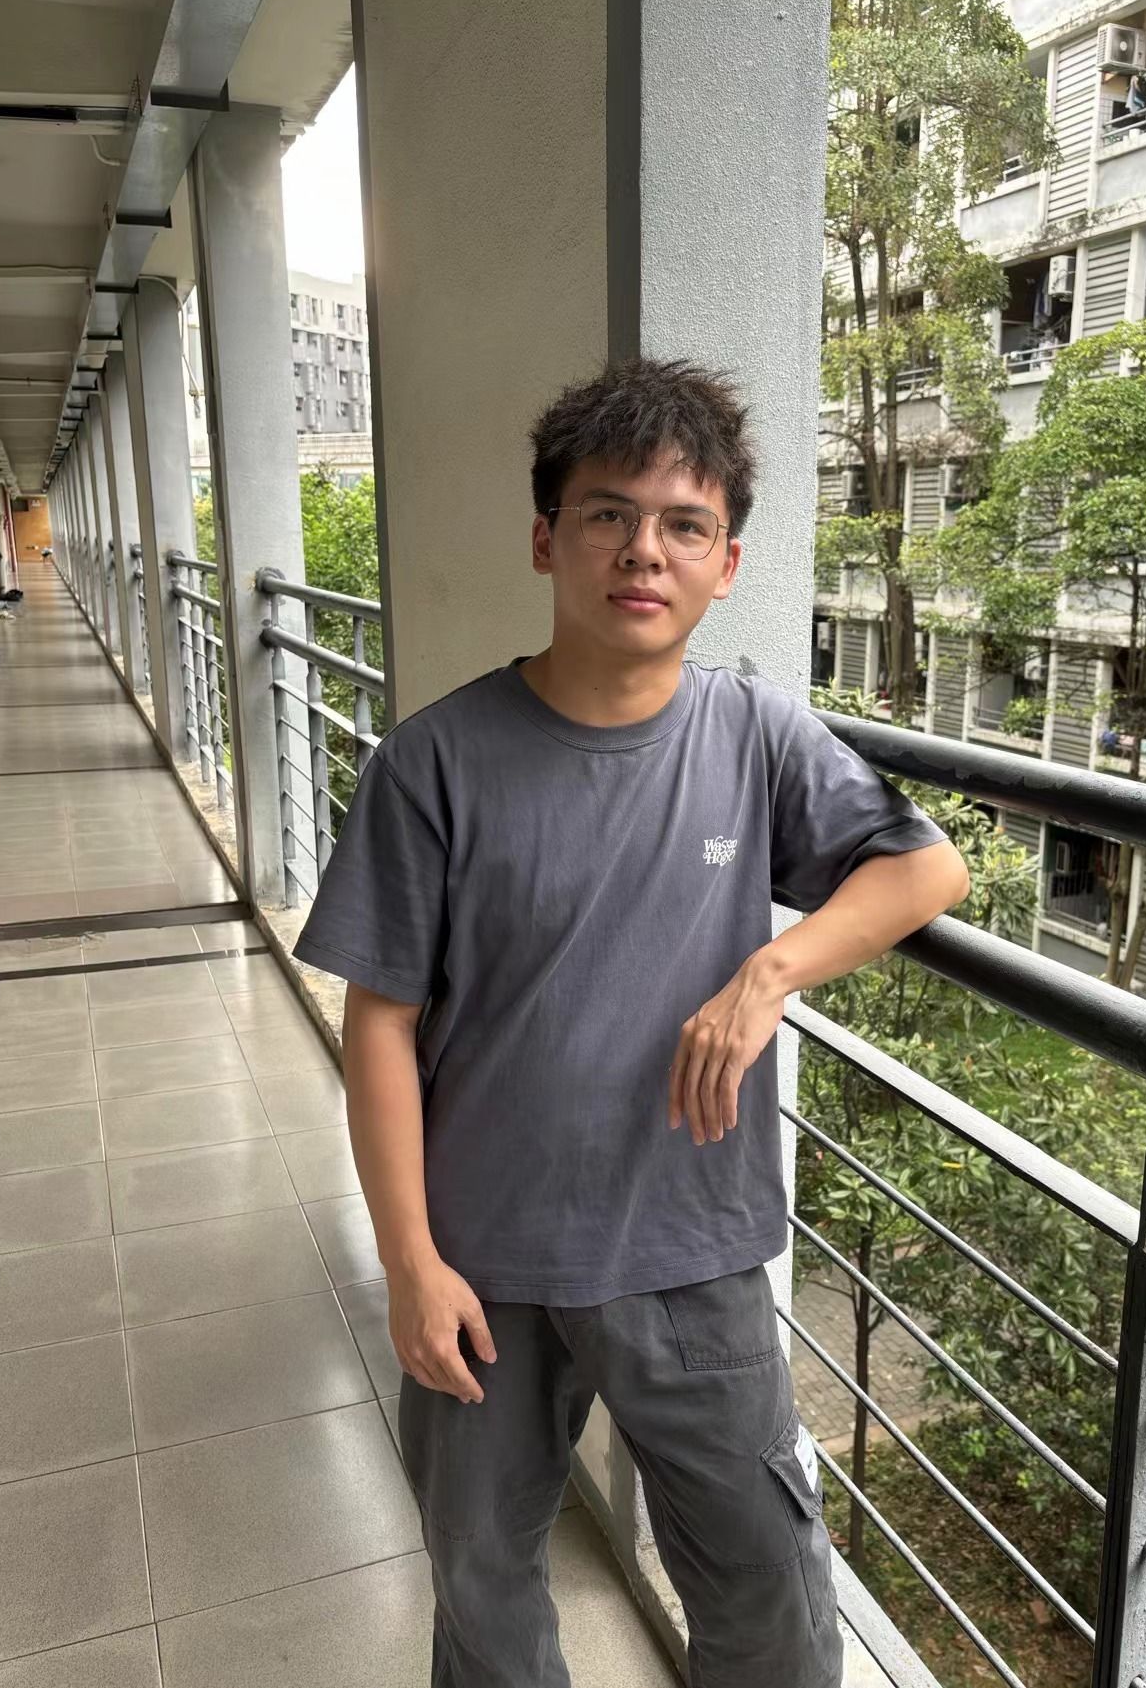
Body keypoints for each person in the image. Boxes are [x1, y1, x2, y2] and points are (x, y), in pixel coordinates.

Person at [293, 357, 969, 1688]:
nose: (643, 551)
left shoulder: (755, 733)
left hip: (691, 1246)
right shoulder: (433, 762)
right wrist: (409, 1261)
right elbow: (380, 1026)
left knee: (769, 1597)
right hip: (482, 1258)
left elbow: (924, 869)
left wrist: (768, 974)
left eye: (683, 524)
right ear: (547, 538)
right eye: (607, 514)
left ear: (726, 563)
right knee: (483, 1586)